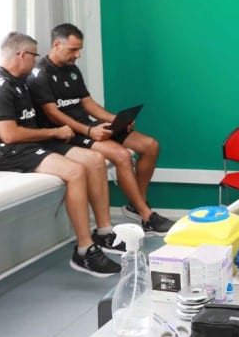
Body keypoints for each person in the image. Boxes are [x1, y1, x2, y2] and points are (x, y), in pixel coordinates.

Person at [0, 32, 123, 277]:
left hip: (30, 139)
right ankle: (84, 250)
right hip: (1, 149)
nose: (36, 60)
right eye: (34, 55)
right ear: (21, 55)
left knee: (94, 160)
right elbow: (9, 135)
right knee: (75, 171)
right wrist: (56, 132)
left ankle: (104, 233)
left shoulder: (20, 79)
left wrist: (56, 132)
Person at [26, 23, 173, 235]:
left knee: (150, 145)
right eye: (73, 49)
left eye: (79, 50)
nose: (77, 55)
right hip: (69, 133)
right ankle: (146, 215)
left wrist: (115, 120)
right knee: (122, 155)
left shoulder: (72, 70)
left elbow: (88, 103)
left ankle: (137, 205)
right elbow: (53, 114)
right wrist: (88, 131)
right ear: (56, 44)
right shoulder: (40, 74)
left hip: (87, 125)